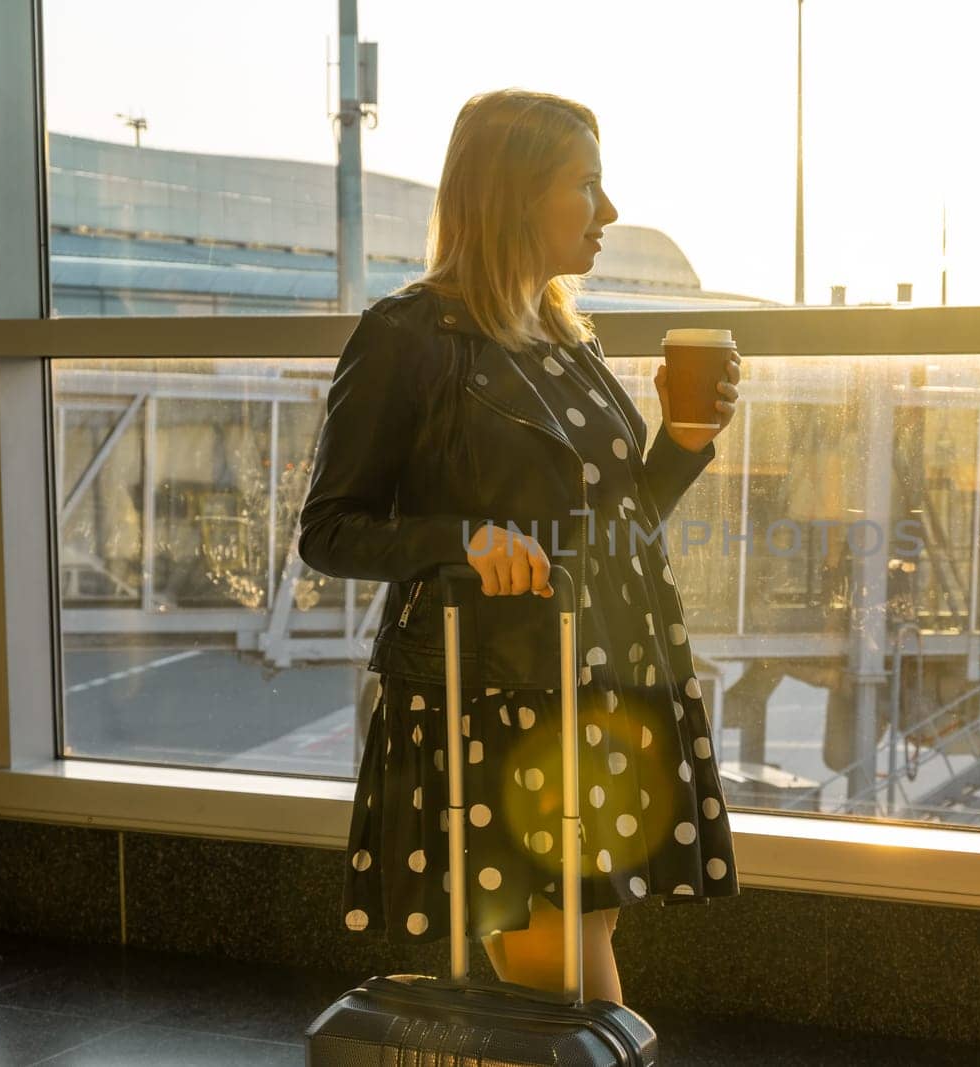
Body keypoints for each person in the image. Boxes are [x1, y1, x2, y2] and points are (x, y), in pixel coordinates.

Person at [296, 88, 743, 1007]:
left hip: (592, 683)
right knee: (567, 986)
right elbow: (329, 530)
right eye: (587, 186)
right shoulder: (406, 338)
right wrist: (463, 540)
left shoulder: (561, 336)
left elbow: (610, 541)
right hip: (489, 700)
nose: (610, 213)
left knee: (583, 944)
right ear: (513, 195)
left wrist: (682, 444)